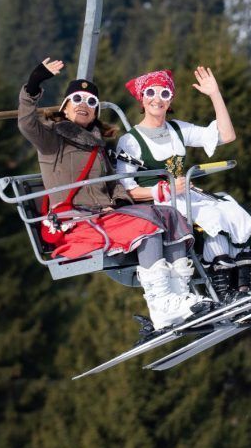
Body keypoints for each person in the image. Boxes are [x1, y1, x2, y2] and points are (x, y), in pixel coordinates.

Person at [17, 57, 214, 335]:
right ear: (65, 106)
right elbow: (26, 123)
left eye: (91, 102)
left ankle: (177, 298)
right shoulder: (52, 140)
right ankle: (162, 302)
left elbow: (115, 187)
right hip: (74, 223)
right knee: (146, 224)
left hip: (104, 216)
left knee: (169, 214)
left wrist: (137, 199)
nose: (84, 105)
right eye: (77, 99)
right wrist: (35, 82)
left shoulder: (98, 145)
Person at [115, 66, 251, 303]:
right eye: (151, 92)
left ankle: (243, 286)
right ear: (142, 98)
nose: (157, 99)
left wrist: (215, 95)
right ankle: (223, 291)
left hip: (186, 195)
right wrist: (163, 190)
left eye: (164, 94)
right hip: (160, 202)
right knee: (210, 219)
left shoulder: (177, 129)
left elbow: (227, 136)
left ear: (170, 99)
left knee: (232, 211)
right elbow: (127, 188)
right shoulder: (130, 141)